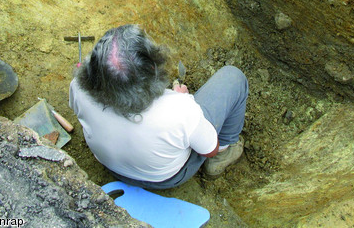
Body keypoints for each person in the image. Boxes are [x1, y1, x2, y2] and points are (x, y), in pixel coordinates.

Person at [69, 24, 249, 189]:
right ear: (152, 69)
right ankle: (224, 156)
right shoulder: (180, 110)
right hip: (163, 178)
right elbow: (210, 150)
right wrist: (184, 103)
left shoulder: (78, 86)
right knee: (233, 77)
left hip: (111, 165)